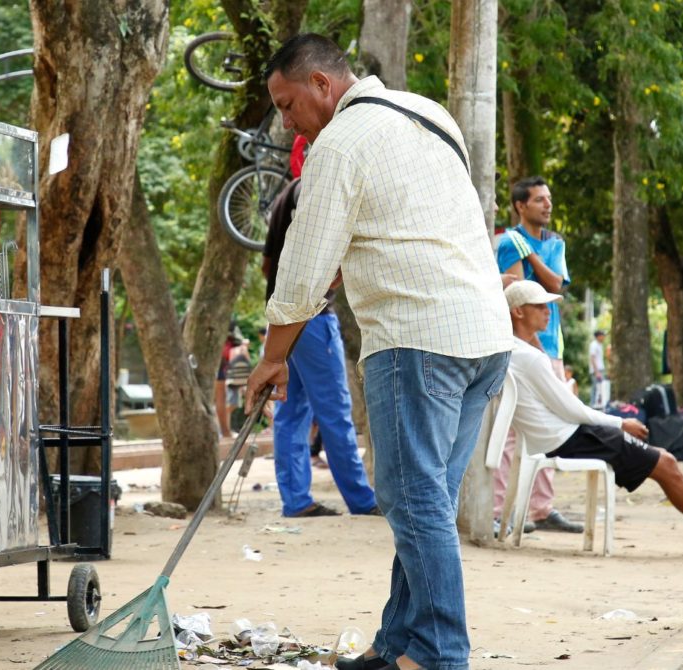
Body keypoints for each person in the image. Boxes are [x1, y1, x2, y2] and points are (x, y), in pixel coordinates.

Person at [246, 34, 511, 670]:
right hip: (484, 337)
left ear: (321, 85)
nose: (285, 123)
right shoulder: (429, 112)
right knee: (427, 507)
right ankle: (398, 645)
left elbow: (302, 273)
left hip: (418, 340)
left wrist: (272, 356)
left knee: (415, 504)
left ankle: (444, 655)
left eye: (286, 105)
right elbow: (416, 217)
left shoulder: (337, 143)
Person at [504, 281, 683, 536]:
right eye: (540, 306)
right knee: (665, 464)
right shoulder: (531, 359)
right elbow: (572, 410)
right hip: (572, 438)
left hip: (564, 437)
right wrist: (620, 422)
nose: (548, 311)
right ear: (518, 312)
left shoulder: (515, 352)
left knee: (667, 462)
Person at [262, 176, 377, 517]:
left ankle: (296, 499)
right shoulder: (318, 188)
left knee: (290, 411)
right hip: (312, 317)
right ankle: (361, 500)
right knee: (334, 411)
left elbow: (267, 264)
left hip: (281, 318)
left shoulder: (285, 195)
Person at [492, 177, 583, 535]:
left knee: (550, 426)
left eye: (549, 198)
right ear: (520, 205)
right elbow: (516, 294)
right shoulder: (508, 242)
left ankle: (542, 507)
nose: (547, 205)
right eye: (539, 200)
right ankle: (500, 508)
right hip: (520, 346)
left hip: (551, 346)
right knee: (511, 427)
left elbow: (556, 285)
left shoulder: (551, 243)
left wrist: (529, 255)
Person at [589, 329, 608, 408]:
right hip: (596, 370)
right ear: (599, 336)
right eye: (603, 336)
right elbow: (592, 358)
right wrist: (596, 372)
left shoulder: (600, 345)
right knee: (595, 388)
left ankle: (600, 404)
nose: (604, 337)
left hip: (601, 369)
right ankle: (592, 404)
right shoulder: (594, 345)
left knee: (601, 388)